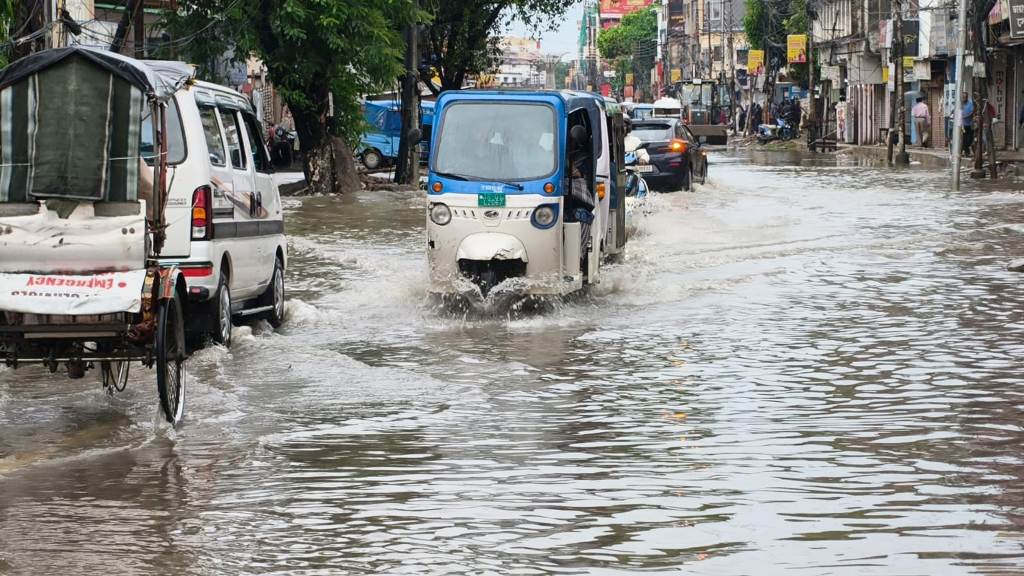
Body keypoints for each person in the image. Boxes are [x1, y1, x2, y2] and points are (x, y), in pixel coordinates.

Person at [960, 92, 975, 156]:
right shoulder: (960, 104)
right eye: (963, 97)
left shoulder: (970, 104)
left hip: (970, 124)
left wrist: (966, 116)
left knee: (970, 139)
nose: (964, 98)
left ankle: (967, 150)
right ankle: (966, 152)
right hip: (963, 125)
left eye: (965, 97)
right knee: (964, 139)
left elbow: (972, 112)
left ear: (967, 97)